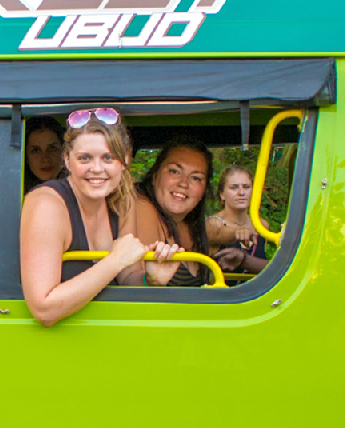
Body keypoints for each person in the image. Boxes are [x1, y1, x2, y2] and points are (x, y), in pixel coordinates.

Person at [19, 108, 181, 326]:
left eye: (108, 158)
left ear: (123, 161)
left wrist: (150, 280)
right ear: (67, 160)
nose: (97, 169)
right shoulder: (46, 204)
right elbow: (43, 309)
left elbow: (127, 277)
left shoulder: (123, 201)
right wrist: (113, 261)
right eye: (84, 158)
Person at [0, 116, 65, 238]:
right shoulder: (18, 191)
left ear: (64, 153)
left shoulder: (79, 188)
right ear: (25, 157)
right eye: (35, 150)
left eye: (52, 149)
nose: (45, 158)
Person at [132, 137, 215, 287]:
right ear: (155, 174)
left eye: (196, 178)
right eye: (174, 171)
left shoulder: (191, 223)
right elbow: (137, 288)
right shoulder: (143, 207)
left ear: (204, 190)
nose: (183, 183)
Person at [206, 164, 268, 275]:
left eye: (246, 187)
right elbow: (219, 233)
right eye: (234, 187)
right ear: (222, 195)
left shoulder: (261, 225)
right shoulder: (213, 223)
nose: (241, 192)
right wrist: (237, 232)